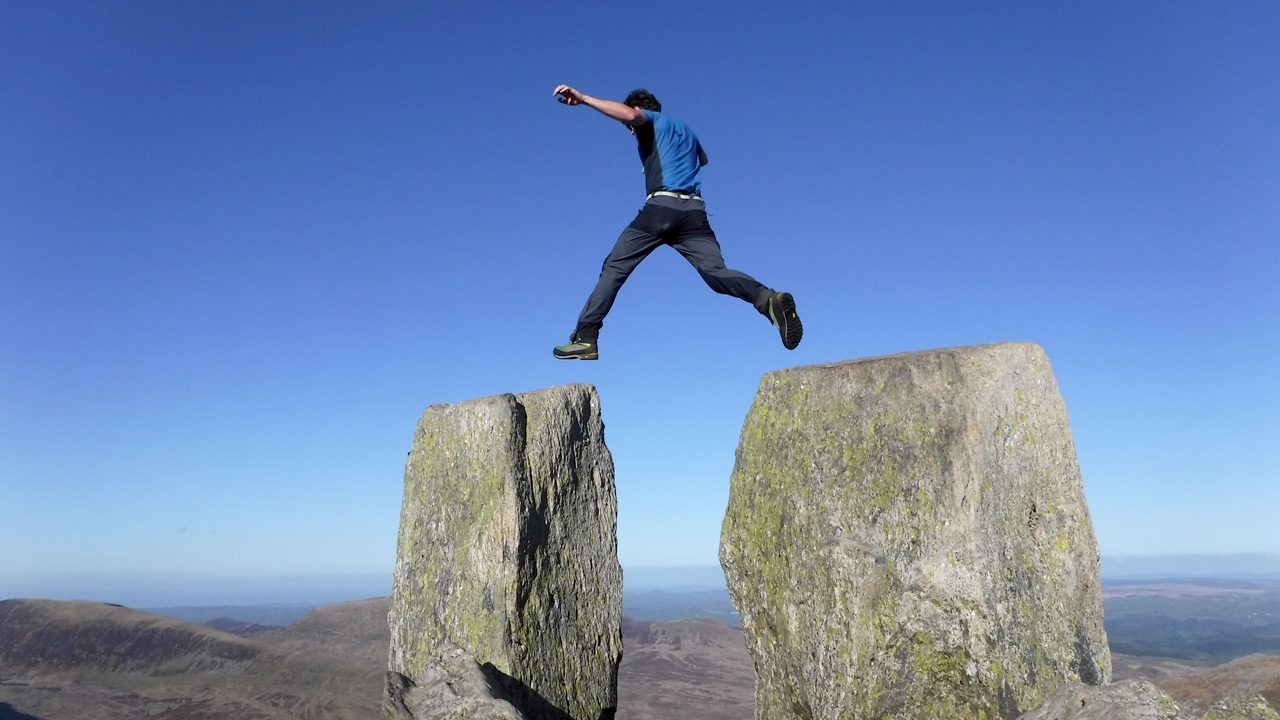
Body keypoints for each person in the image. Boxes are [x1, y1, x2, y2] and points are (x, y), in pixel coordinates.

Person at [550, 84, 802, 361]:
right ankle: (767, 299)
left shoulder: (650, 120)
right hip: (695, 214)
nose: (632, 132)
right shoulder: (686, 131)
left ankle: (586, 337)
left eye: (630, 128)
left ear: (638, 110)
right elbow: (702, 159)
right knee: (715, 272)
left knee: (615, 268)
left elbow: (633, 117)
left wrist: (585, 99)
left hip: (661, 209)